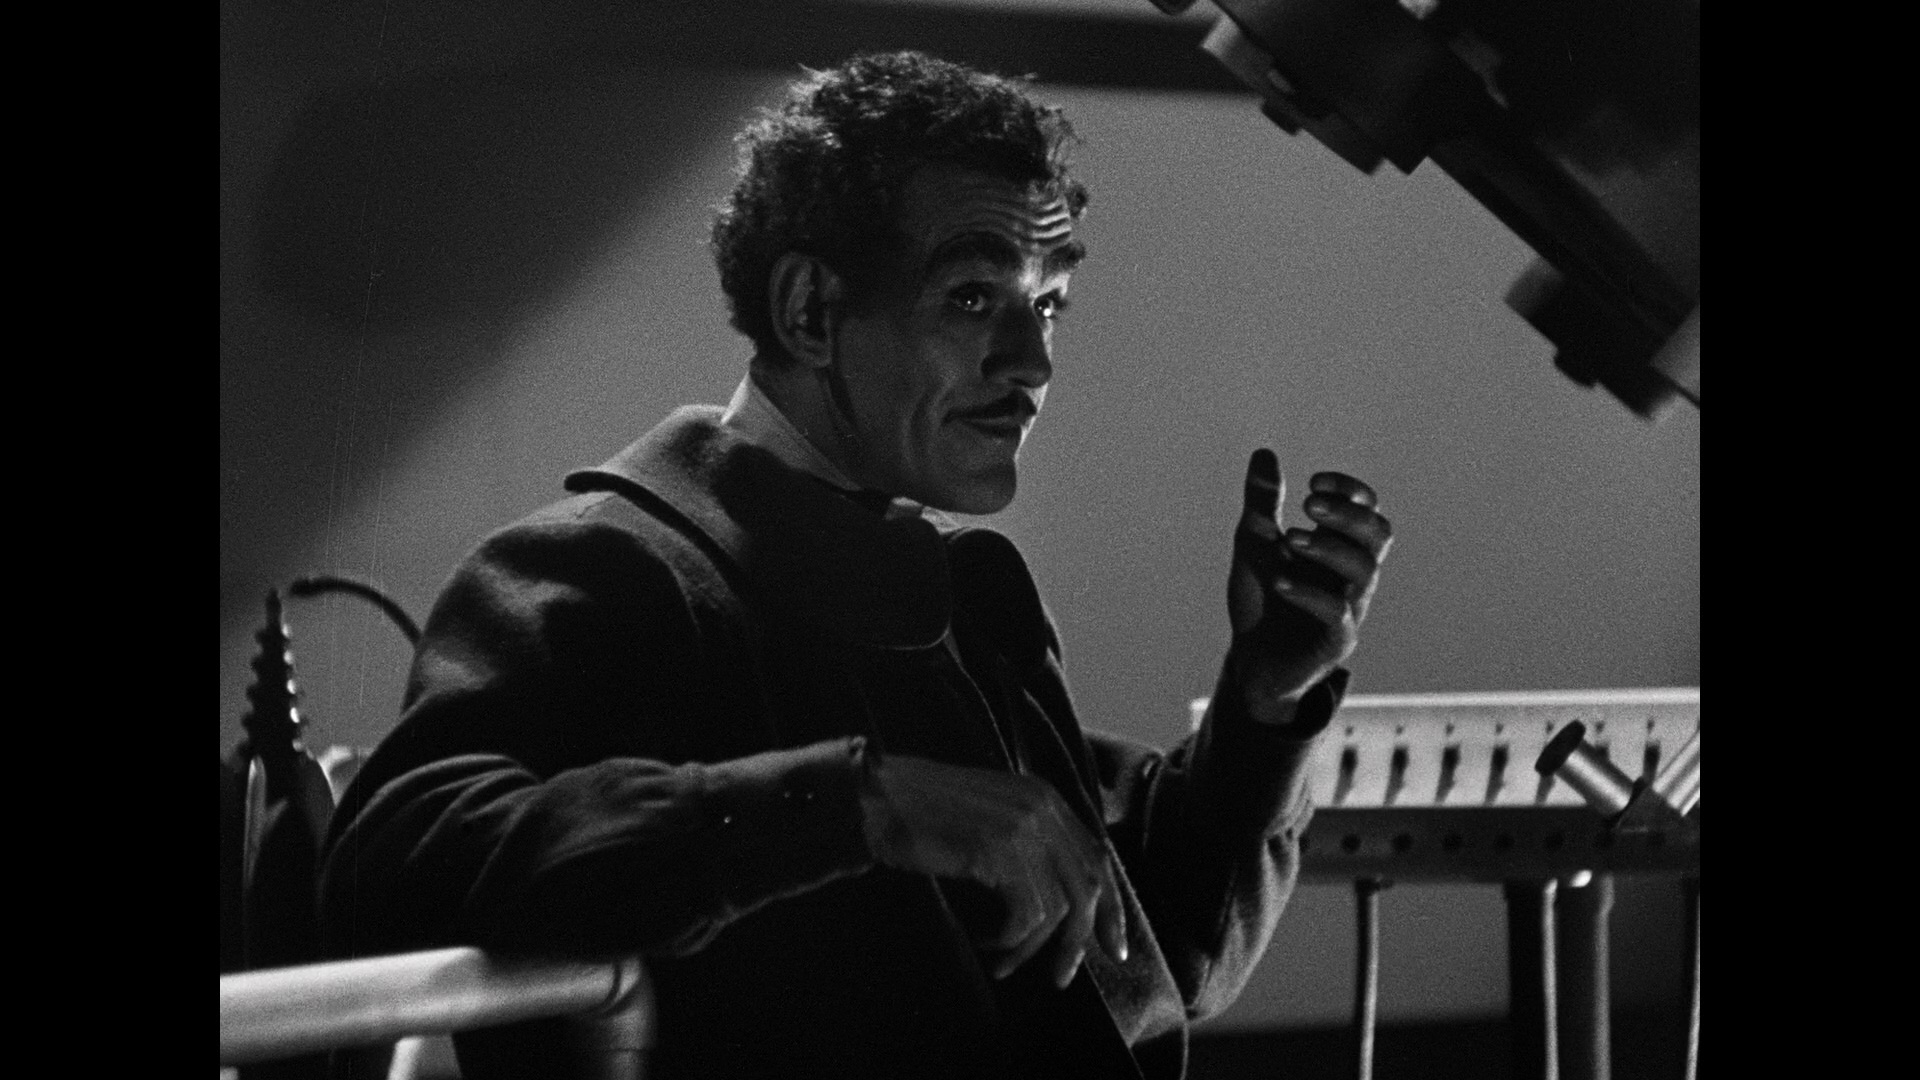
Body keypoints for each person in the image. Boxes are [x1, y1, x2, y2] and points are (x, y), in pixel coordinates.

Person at [319, 51, 1393, 1080]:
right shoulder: (605, 573)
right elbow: (394, 874)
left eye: (1047, 302)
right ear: (810, 311)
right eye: (972, 297)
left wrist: (1266, 706)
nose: (1032, 363)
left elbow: (1156, 964)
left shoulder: (968, 606)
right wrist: (857, 805)